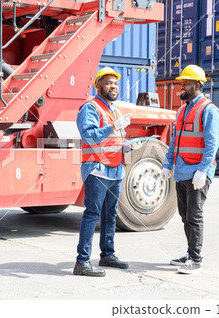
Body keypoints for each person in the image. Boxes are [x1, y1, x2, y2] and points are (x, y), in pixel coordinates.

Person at [73, 67, 142, 277]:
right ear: (98, 86)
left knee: (110, 215)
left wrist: (128, 146)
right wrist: (113, 127)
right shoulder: (90, 108)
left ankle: (107, 255)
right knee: (92, 214)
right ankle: (82, 262)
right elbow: (89, 137)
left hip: (115, 171)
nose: (113, 86)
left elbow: (114, 141)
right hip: (97, 170)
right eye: (108, 83)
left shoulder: (114, 109)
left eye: (115, 83)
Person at [160, 65, 219, 274]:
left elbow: (212, 143)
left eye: (185, 84)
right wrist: (167, 165)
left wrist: (203, 170)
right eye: (181, 83)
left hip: (198, 173)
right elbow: (174, 142)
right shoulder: (182, 110)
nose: (181, 87)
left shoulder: (208, 109)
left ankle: (196, 258)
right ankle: (189, 253)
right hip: (182, 171)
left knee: (194, 216)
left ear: (197, 85)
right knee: (185, 215)